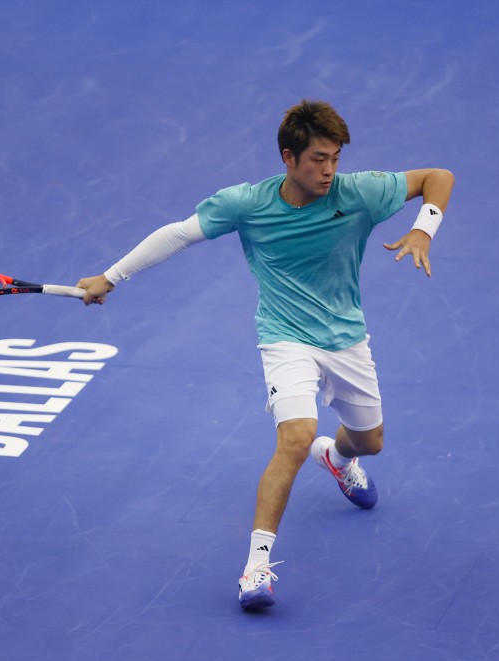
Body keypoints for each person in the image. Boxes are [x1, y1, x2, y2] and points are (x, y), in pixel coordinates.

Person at [76, 100, 454, 610]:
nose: (328, 170)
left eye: (335, 159)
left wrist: (421, 229)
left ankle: (337, 458)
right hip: (285, 339)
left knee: (371, 442)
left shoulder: (359, 192)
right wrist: (111, 277)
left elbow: (438, 177)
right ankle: (256, 568)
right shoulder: (246, 204)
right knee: (295, 438)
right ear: (288, 157)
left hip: (347, 340)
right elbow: (178, 234)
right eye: (318, 159)